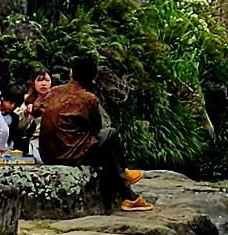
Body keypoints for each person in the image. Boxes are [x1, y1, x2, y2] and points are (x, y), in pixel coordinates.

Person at [39, 54, 150, 211]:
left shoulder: (54, 91)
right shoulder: (88, 98)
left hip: (46, 154)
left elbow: (37, 109)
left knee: (107, 154)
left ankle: (130, 197)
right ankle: (125, 173)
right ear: (92, 78)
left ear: (71, 73)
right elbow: (96, 128)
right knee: (110, 134)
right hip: (69, 154)